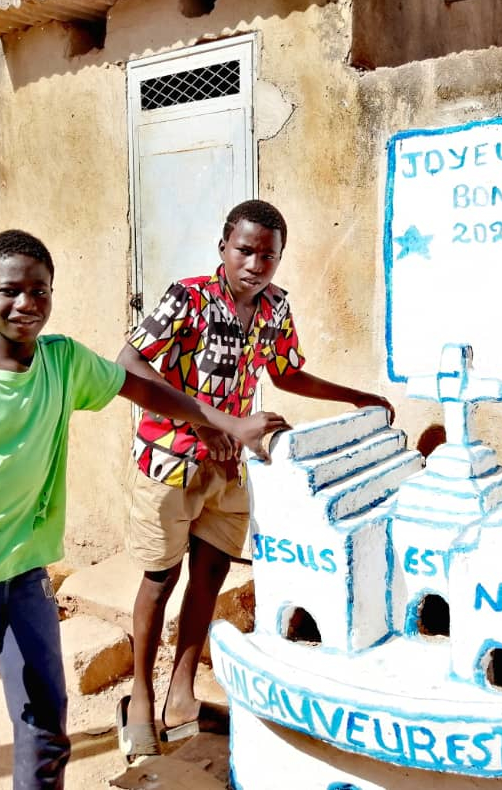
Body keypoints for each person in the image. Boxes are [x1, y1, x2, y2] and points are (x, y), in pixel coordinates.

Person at [0, 229, 287, 789]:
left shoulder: (62, 363)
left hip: (22, 572)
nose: (26, 304)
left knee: (45, 727)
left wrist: (230, 423)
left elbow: (148, 392)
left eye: (40, 291)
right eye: (10, 290)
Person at [116, 199, 394, 760]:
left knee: (211, 574)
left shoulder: (273, 309)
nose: (256, 264)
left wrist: (355, 394)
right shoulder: (187, 298)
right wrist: (219, 421)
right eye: (245, 250)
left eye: (269, 255)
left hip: (227, 467)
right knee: (160, 579)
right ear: (224, 247)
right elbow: (128, 363)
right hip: (170, 461)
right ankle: (140, 700)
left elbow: (286, 372)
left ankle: (182, 696)